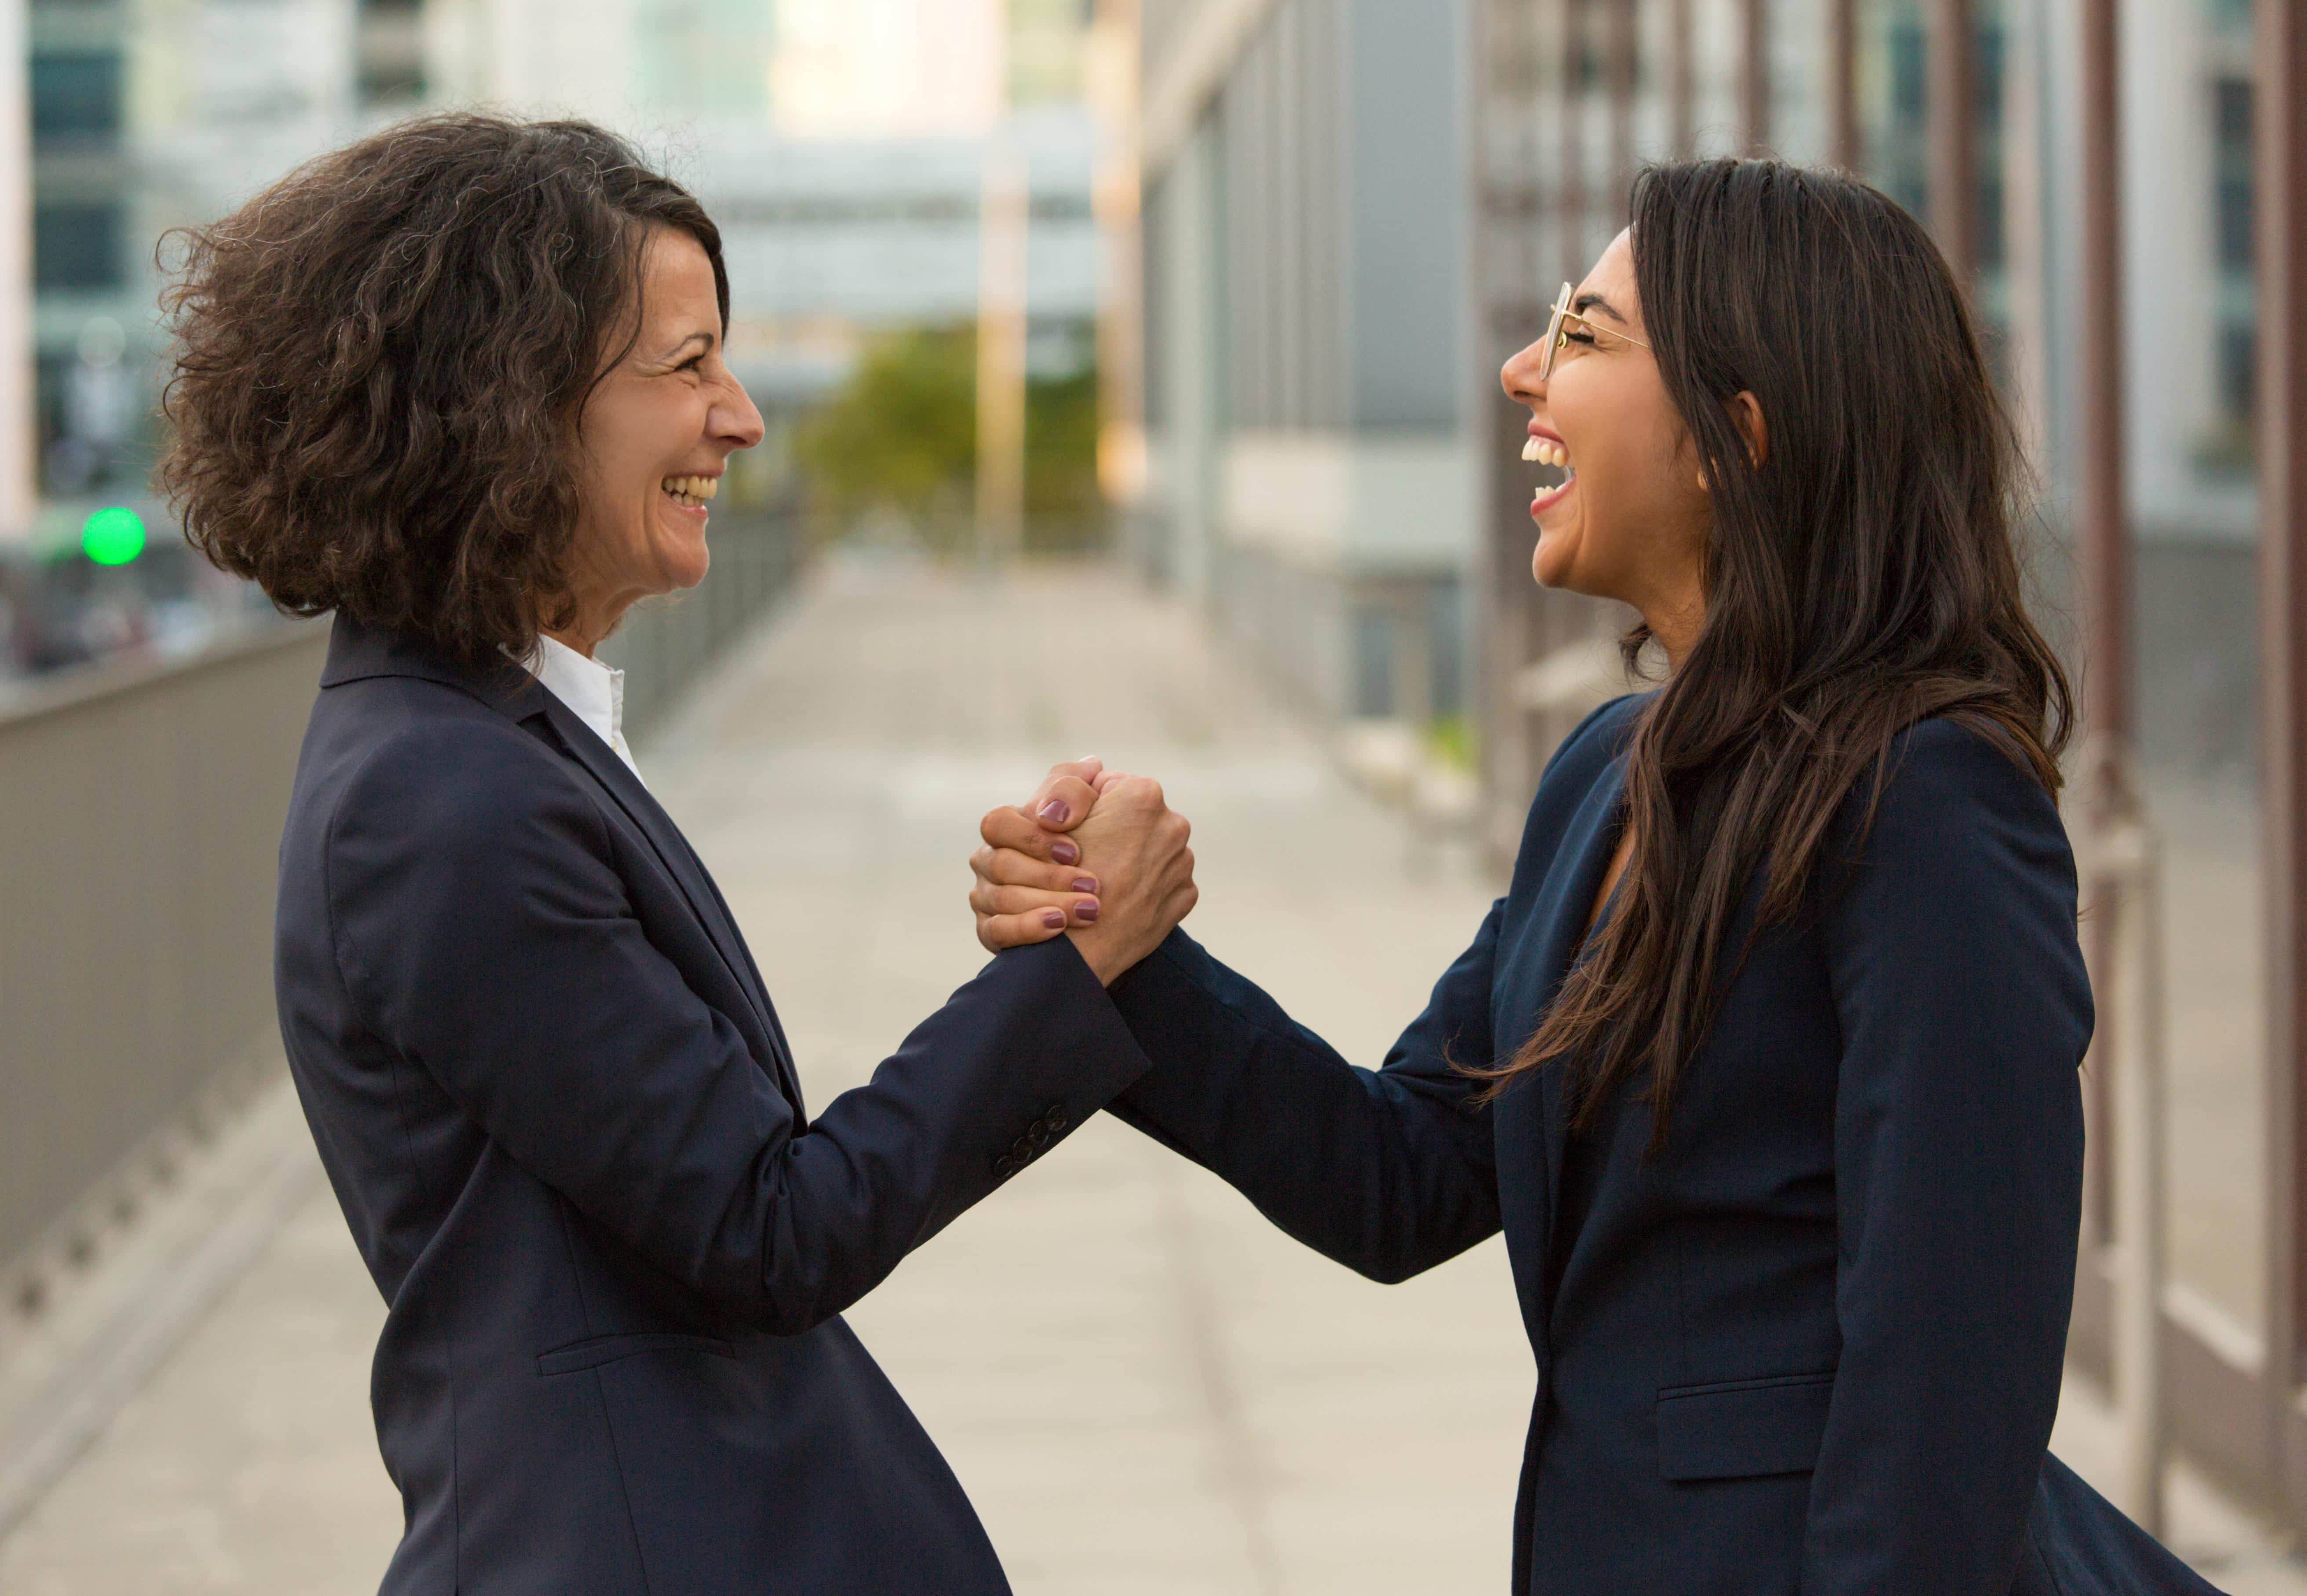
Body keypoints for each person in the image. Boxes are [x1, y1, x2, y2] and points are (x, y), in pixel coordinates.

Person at [971, 158, 2219, 1595]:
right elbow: (1399, 1170)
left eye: (1583, 332)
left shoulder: (1928, 796)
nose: (1523, 369)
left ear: (1733, 438)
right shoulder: (1601, 779)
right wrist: (1123, 952)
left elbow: (1950, 1373)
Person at [154, 114, 1196, 1596]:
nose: (742, 416)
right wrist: (1078, 961)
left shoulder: (493, 735)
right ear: (510, 398)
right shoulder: (441, 802)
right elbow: (770, 1225)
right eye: (689, 364)